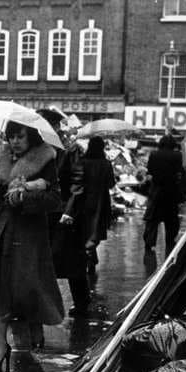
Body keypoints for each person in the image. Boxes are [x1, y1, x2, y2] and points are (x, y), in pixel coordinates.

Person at [0, 121, 64, 372]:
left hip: (27, 235)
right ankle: (1, 347)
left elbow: (56, 199)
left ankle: (34, 324)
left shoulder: (45, 160)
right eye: (11, 137)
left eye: (20, 136)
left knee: (26, 288)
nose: (14, 141)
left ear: (30, 136)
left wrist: (25, 197)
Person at [49, 127, 91, 316]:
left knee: (72, 263)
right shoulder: (40, 152)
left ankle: (81, 303)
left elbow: (78, 181)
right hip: (47, 213)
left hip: (65, 216)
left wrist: (70, 211)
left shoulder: (71, 151)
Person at [79, 136, 116, 282]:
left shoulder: (82, 162)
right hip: (101, 202)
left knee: (85, 231)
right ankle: (91, 257)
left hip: (83, 201)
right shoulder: (106, 164)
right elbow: (111, 184)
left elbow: (76, 182)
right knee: (96, 230)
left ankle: (89, 257)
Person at [143, 134, 185, 255]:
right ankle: (170, 244)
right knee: (171, 220)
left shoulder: (154, 154)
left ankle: (150, 245)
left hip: (156, 192)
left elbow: (150, 171)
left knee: (153, 219)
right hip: (171, 193)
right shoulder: (178, 155)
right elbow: (179, 172)